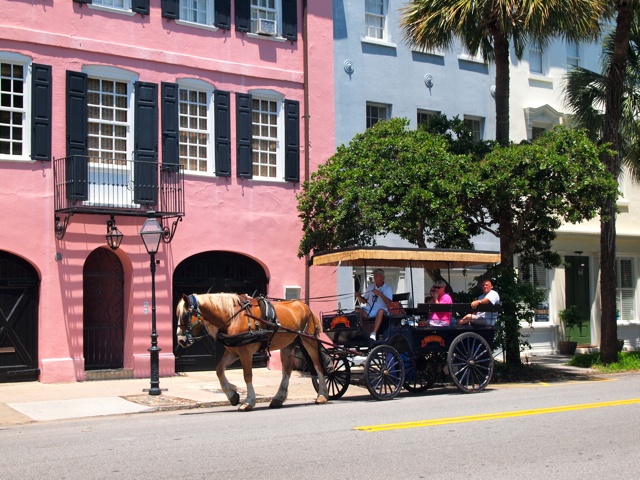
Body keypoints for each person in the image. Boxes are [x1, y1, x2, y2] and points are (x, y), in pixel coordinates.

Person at [355, 268, 393, 341]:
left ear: (382, 277)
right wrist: (358, 296)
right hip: (370, 310)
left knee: (380, 311)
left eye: (376, 276)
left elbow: (389, 303)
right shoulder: (370, 287)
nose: (374, 278)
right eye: (374, 276)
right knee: (357, 310)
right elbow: (364, 301)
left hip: (382, 310)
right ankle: (359, 331)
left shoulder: (388, 288)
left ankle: (374, 333)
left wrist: (380, 294)